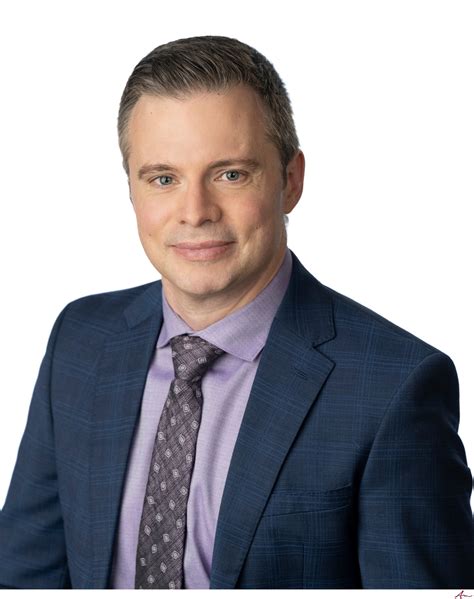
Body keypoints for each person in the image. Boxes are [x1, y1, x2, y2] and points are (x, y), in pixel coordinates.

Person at [0, 35, 472, 590]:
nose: (195, 212)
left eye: (230, 174)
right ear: (131, 189)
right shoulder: (80, 340)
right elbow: (24, 577)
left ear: (290, 181)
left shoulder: (394, 387)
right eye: (163, 179)